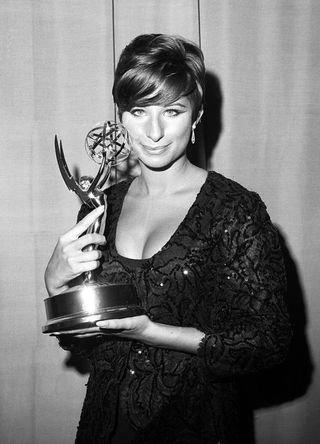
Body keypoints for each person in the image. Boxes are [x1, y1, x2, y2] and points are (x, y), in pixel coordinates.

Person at [45, 34, 292, 444]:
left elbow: (267, 343)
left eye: (172, 111)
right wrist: (55, 282)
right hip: (104, 426)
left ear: (196, 116)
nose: (154, 132)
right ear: (120, 117)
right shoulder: (100, 205)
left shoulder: (233, 209)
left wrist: (150, 331)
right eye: (139, 111)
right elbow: (86, 343)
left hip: (198, 425)